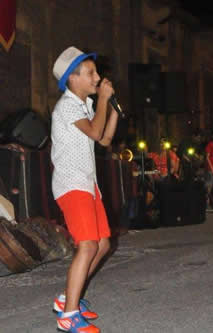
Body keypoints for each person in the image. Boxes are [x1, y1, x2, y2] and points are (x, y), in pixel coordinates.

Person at [51, 47, 119, 332]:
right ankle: (68, 316)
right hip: (72, 184)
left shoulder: (85, 106)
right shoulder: (66, 105)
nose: (97, 77)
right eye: (91, 72)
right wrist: (103, 99)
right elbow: (94, 131)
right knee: (88, 245)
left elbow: (103, 140)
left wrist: (112, 109)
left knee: (103, 243)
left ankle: (69, 298)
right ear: (72, 78)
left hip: (88, 185)